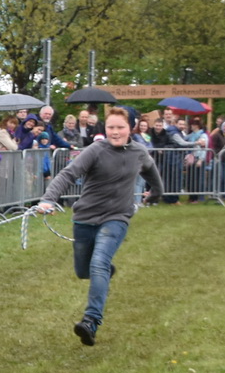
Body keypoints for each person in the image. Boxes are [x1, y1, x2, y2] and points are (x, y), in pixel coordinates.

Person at [35, 106, 164, 346]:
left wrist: (155, 194)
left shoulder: (139, 152)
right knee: (84, 271)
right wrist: (48, 199)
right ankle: (105, 273)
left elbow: (152, 175)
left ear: (131, 128)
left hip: (117, 217)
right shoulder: (96, 150)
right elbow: (67, 174)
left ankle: (91, 321)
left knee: (99, 263)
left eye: (120, 127)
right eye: (111, 127)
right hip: (85, 218)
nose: (115, 132)